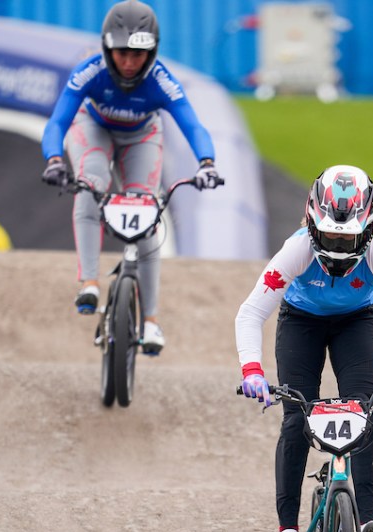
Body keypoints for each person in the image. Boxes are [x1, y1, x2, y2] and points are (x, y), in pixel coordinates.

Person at [235, 165, 373, 532]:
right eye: (330, 237)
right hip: (300, 323)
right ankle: (288, 530)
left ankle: (367, 522)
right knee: (296, 417)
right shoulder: (295, 249)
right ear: (313, 225)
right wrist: (252, 372)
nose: (339, 248)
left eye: (348, 239)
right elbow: (250, 313)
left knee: (363, 412)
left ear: (368, 230)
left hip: (356, 323)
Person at [40, 0, 223, 356]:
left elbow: (192, 125)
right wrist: (53, 159)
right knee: (90, 184)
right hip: (93, 129)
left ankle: (151, 320)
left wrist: (207, 163)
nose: (128, 62)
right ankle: (89, 282)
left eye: (138, 55)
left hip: (142, 137)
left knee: (147, 217)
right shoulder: (88, 72)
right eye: (121, 53)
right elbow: (58, 122)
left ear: (152, 52)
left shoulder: (162, 81)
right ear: (108, 49)